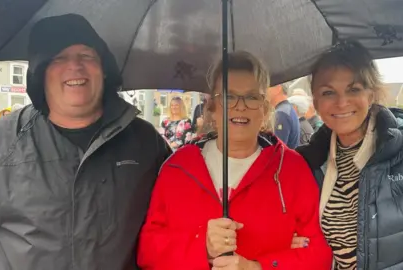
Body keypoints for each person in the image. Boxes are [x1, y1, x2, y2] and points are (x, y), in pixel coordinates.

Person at [0, 14, 171, 270]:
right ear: (40, 73)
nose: (75, 66)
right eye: (59, 58)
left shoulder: (146, 143)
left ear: (104, 70)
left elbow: (173, 230)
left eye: (86, 55)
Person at [137, 51, 332, 269]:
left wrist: (257, 267)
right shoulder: (178, 168)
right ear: (211, 107)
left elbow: (320, 253)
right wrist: (201, 246)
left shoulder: (291, 169)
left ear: (265, 108)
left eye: (251, 96)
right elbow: (148, 252)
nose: (240, 105)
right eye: (228, 96)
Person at [296, 40, 403, 269]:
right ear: (315, 101)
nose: (342, 102)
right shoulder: (309, 163)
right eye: (328, 92)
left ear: (372, 94)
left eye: (353, 89)